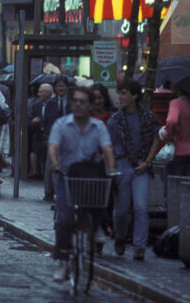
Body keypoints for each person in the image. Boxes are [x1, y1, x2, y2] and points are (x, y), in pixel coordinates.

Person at [48, 87, 116, 280]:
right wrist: (54, 163)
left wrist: (111, 168)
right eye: (75, 101)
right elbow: (53, 148)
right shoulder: (61, 125)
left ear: (89, 105)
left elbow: (108, 149)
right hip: (66, 175)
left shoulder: (98, 126)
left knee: (97, 199)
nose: (78, 104)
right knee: (64, 219)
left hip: (89, 175)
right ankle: (62, 261)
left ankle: (95, 228)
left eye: (82, 101)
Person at [107, 79, 161, 260]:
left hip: (141, 166)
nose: (120, 97)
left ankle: (139, 246)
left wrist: (147, 161)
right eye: (119, 93)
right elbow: (109, 145)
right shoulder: (115, 119)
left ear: (135, 96)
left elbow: (156, 138)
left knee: (141, 208)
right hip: (122, 165)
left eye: (124, 93)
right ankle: (120, 236)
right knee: (121, 208)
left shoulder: (147, 116)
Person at [161, 77, 190, 177]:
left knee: (175, 185)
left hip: (178, 152)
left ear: (178, 88)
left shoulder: (176, 103)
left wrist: (166, 135)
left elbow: (172, 121)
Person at [41, 75, 71, 201]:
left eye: (63, 85)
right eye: (58, 86)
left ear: (67, 87)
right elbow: (46, 121)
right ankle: (49, 192)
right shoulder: (51, 103)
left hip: (69, 138)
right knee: (51, 164)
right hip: (53, 138)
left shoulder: (72, 102)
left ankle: (65, 192)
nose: (61, 88)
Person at [28, 83, 54, 178]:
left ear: (47, 93)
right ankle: (35, 171)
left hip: (48, 132)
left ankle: (44, 172)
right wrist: (33, 122)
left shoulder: (53, 104)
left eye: (41, 92)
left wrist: (41, 121)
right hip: (37, 131)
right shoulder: (36, 105)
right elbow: (31, 117)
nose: (39, 94)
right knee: (34, 148)